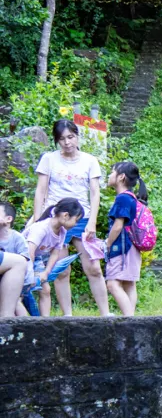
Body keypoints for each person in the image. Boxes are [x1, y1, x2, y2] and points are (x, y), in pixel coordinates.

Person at [31, 119, 107, 316]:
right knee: (61, 270)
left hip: (82, 218)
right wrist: (39, 219)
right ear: (57, 141)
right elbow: (41, 191)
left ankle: (106, 314)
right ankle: (68, 316)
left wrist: (92, 222)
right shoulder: (49, 159)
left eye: (71, 137)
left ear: (77, 136)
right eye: (62, 139)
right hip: (57, 219)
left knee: (94, 268)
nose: (67, 142)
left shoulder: (90, 160)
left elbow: (95, 193)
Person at [23, 198, 83, 317]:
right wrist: (29, 274)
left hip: (37, 259)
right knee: (21, 291)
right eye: (76, 220)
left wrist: (46, 272)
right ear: (66, 215)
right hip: (23, 258)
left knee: (45, 290)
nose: (76, 224)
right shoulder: (42, 228)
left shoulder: (62, 231)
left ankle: (45, 321)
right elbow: (30, 251)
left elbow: (55, 253)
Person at [104, 161, 148, 316]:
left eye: (112, 172)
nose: (109, 175)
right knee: (129, 284)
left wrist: (107, 244)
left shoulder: (122, 198)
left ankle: (130, 321)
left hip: (122, 248)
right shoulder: (131, 198)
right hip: (132, 248)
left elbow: (118, 225)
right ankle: (131, 320)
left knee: (112, 284)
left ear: (121, 177)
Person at [0, 203, 31, 316]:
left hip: (17, 279)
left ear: (8, 219)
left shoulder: (16, 237)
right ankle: (7, 319)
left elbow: (26, 260)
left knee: (16, 302)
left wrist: (27, 282)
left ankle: (23, 329)